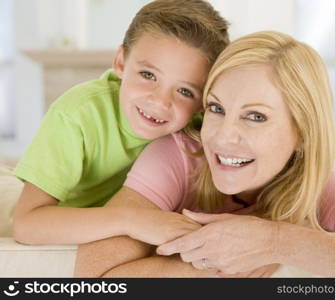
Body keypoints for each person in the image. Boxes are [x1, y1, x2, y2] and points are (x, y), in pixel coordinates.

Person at [74, 30, 335, 277]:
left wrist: (278, 242)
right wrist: (215, 264)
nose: (223, 137)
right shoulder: (177, 156)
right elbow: (93, 275)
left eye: (256, 116)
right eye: (216, 108)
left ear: (303, 135)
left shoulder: (316, 181)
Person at [11, 0, 229, 245]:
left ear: (203, 101)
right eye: (148, 75)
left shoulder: (204, 126)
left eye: (185, 91)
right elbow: (25, 224)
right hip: (68, 220)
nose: (159, 101)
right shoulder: (78, 114)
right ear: (121, 63)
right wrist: (131, 220)